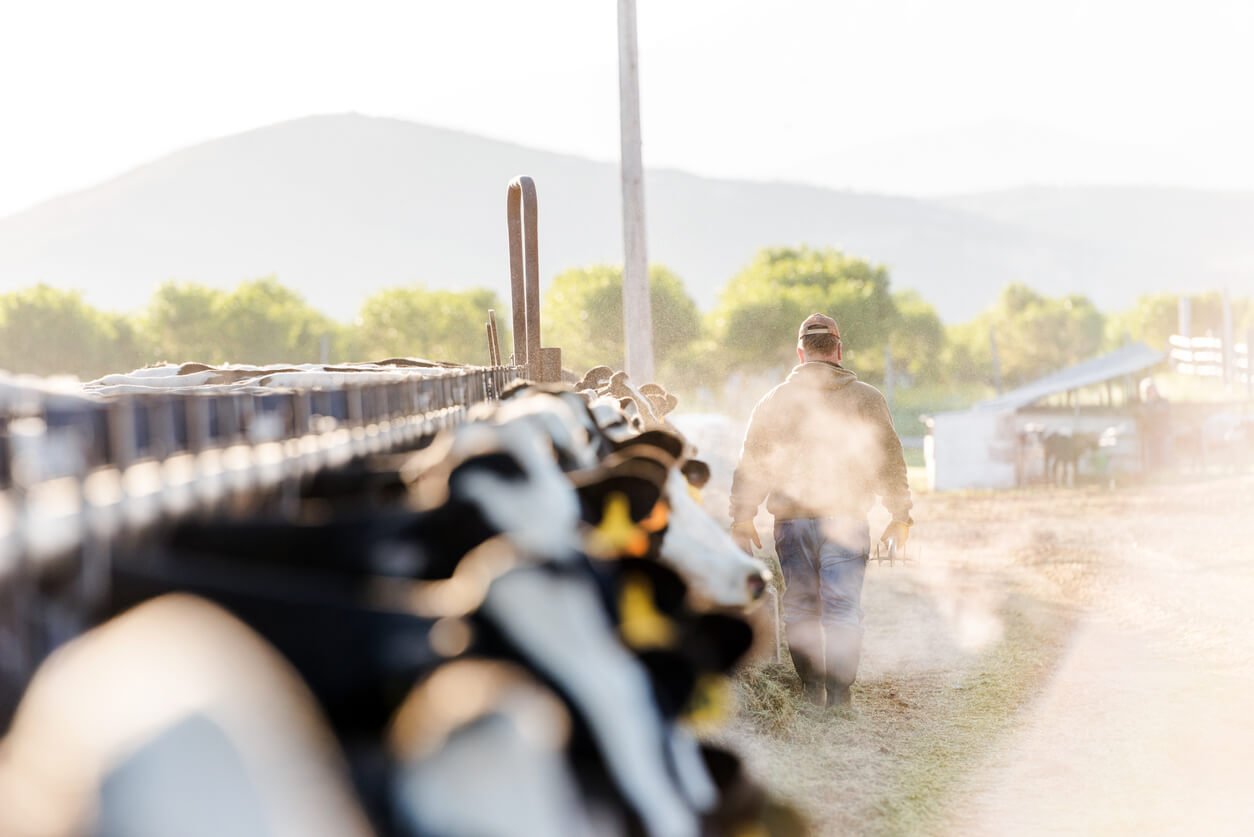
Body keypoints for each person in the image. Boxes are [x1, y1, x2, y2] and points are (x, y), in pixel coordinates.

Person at [729, 313, 913, 708]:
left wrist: (742, 516)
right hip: (845, 520)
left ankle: (812, 693)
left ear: (800, 353)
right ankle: (840, 698)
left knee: (800, 608)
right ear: (838, 350)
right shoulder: (867, 398)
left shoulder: (774, 401)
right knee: (842, 608)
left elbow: (753, 463)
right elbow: (890, 462)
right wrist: (900, 515)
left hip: (792, 525)